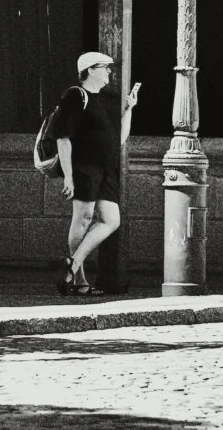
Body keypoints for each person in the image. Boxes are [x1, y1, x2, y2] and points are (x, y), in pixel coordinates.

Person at [48, 50, 138, 295]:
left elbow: (118, 139)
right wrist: (68, 175)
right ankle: (79, 282)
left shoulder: (106, 101)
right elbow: (63, 137)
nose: (109, 71)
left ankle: (72, 264)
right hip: (84, 167)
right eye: (105, 67)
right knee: (84, 219)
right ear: (90, 70)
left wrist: (129, 110)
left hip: (106, 170)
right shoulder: (75, 96)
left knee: (111, 220)